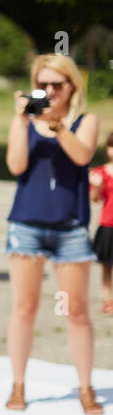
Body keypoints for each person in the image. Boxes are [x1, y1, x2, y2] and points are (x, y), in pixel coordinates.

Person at [4, 53, 103, 415]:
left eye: (56, 85)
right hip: (26, 225)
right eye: (42, 85)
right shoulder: (26, 121)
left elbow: (82, 156)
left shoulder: (85, 120)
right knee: (24, 308)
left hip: (70, 228)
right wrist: (20, 120)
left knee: (76, 311)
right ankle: (18, 383)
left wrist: (57, 125)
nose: (48, 91)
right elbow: (16, 166)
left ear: (71, 86)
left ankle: (86, 386)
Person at [88, 132, 113, 315]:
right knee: (107, 265)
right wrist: (97, 187)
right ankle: (107, 299)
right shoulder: (101, 173)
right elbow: (94, 199)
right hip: (108, 224)